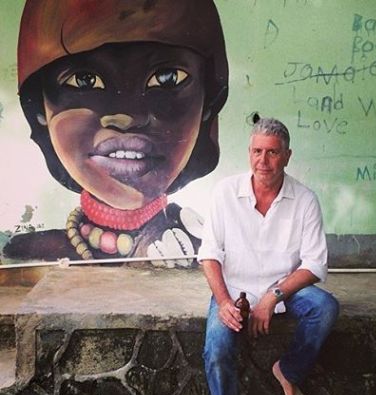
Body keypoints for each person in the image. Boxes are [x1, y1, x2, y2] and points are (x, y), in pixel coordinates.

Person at [3, 0, 228, 265]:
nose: (126, 118)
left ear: (206, 104)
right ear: (40, 109)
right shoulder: (20, 259)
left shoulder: (208, 253)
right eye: (84, 81)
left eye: (167, 78)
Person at [198, 117, 339, 395]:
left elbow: (315, 264)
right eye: (257, 151)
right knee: (216, 350)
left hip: (284, 288)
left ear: (287, 156)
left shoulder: (304, 199)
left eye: (273, 152)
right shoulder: (224, 193)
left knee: (325, 308)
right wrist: (225, 301)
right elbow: (209, 254)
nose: (264, 160)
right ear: (249, 153)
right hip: (234, 290)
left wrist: (273, 296)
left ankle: (288, 371)